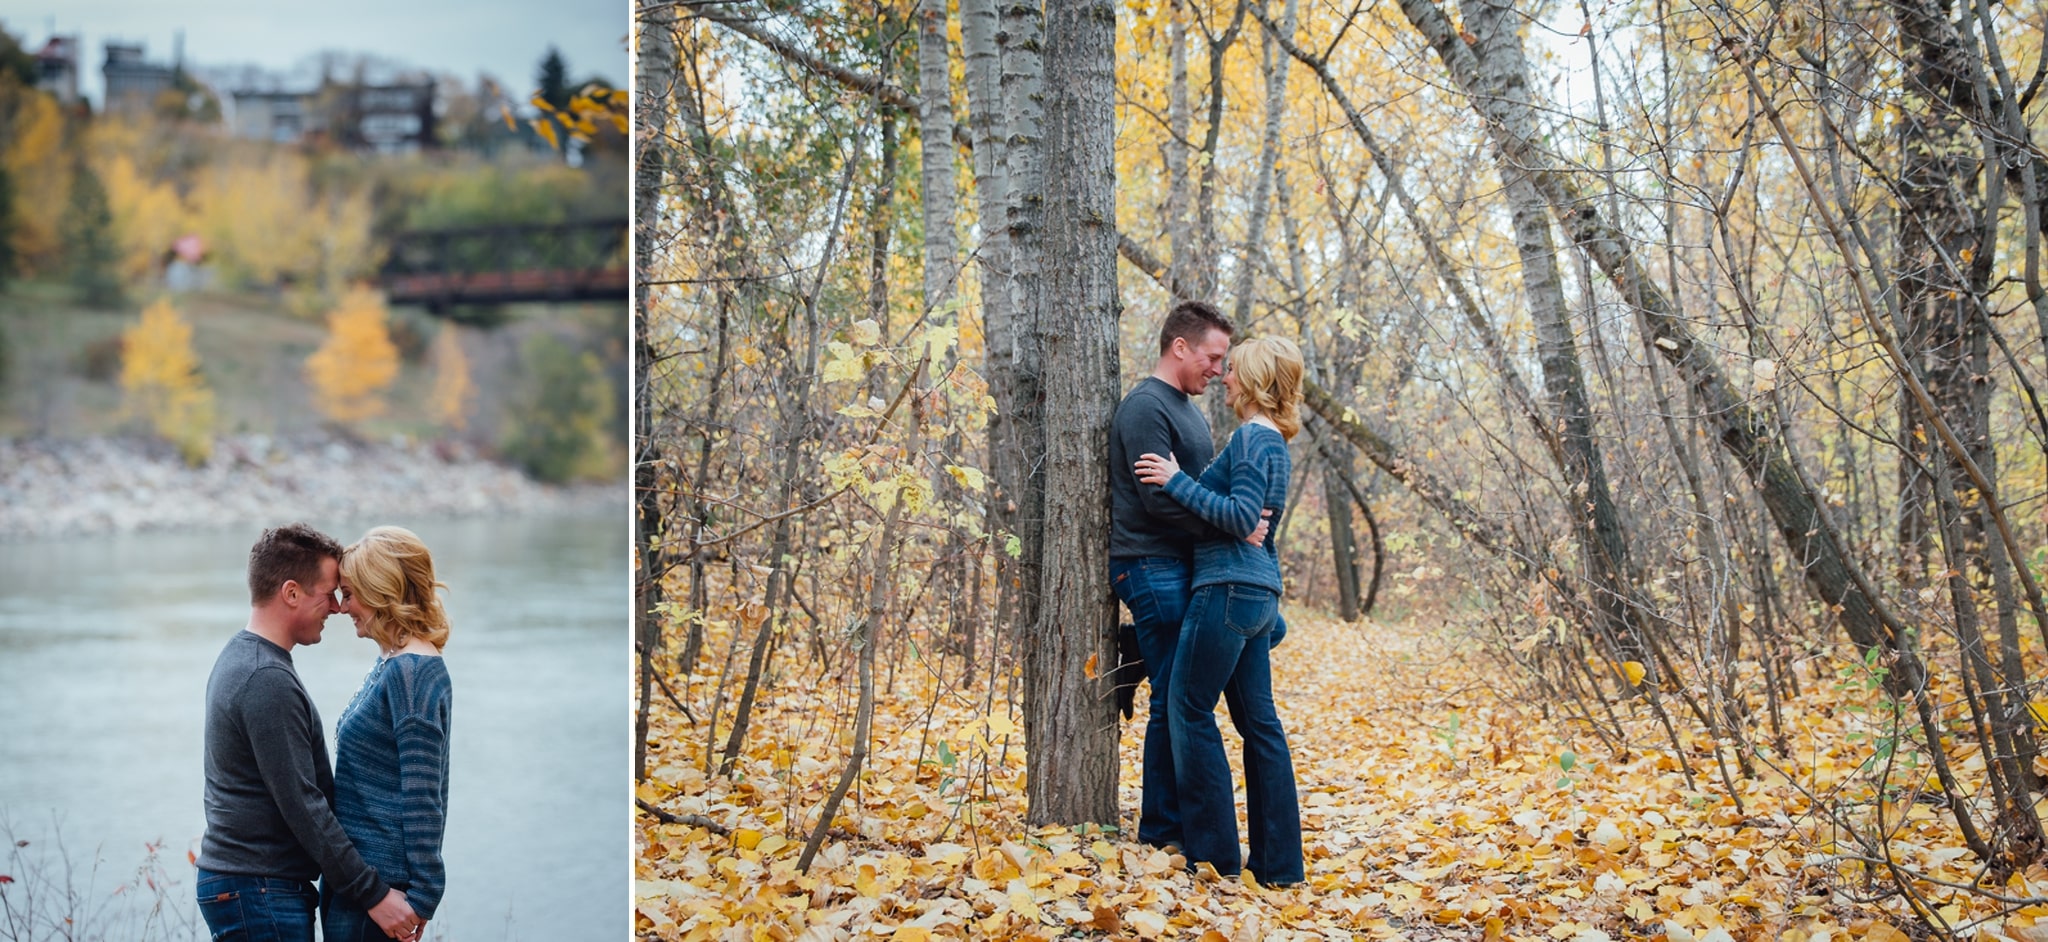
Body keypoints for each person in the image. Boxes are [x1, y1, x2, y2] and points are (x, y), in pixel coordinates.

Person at [198, 523, 423, 942]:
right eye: (329, 593)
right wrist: (373, 894)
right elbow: (304, 804)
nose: (338, 608)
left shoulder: (245, 658)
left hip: (253, 886)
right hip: (260, 889)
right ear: (291, 593)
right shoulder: (264, 678)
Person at [1134, 335, 1305, 886]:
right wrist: (1232, 517)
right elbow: (1247, 521)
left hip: (1228, 591)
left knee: (1186, 708)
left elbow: (1239, 517)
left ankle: (1213, 858)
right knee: (1260, 725)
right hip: (1253, 595)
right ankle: (1279, 867)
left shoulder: (1255, 438)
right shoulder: (1271, 439)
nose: (1224, 378)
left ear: (1254, 380)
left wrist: (1177, 481)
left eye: (1233, 371)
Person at [1107, 300, 1271, 854]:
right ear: (1180, 347)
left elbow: (1203, 492)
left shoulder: (1189, 411)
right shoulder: (1145, 407)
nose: (1220, 371)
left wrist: (1232, 522)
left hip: (1188, 570)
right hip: (1150, 565)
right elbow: (1158, 502)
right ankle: (1163, 831)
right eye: (1213, 356)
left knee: (1176, 697)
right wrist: (1228, 530)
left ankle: (1166, 827)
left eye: (1224, 361)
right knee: (1175, 699)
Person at [323, 526, 454, 942]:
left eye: (349, 593)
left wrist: (421, 898)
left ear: (381, 591)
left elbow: (423, 795)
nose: (343, 608)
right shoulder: (393, 663)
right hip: (361, 885)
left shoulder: (411, 673)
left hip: (381, 895)